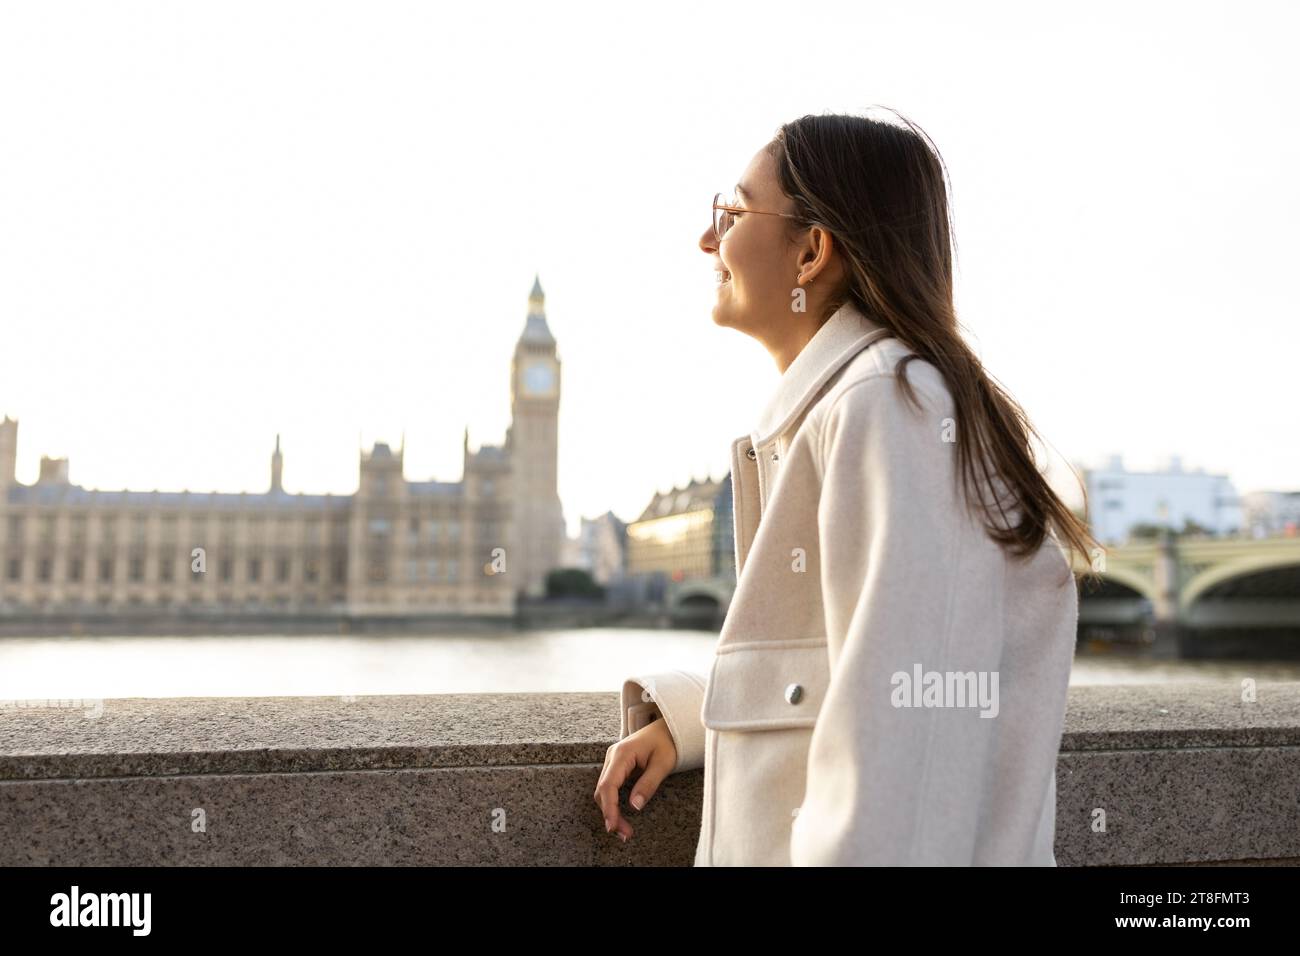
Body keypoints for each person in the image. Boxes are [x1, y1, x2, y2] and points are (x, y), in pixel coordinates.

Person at [592, 109, 1101, 866]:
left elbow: (908, 764)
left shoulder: (890, 407)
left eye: (730, 213)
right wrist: (696, 721)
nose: (708, 240)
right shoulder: (857, 409)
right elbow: (865, 679)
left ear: (811, 253)